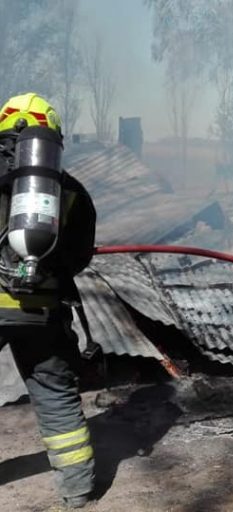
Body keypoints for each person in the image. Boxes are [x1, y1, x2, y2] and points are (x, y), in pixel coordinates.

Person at [0, 93, 97, 508]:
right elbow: (79, 257)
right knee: (55, 395)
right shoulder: (72, 192)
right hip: (41, 311)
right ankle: (78, 488)